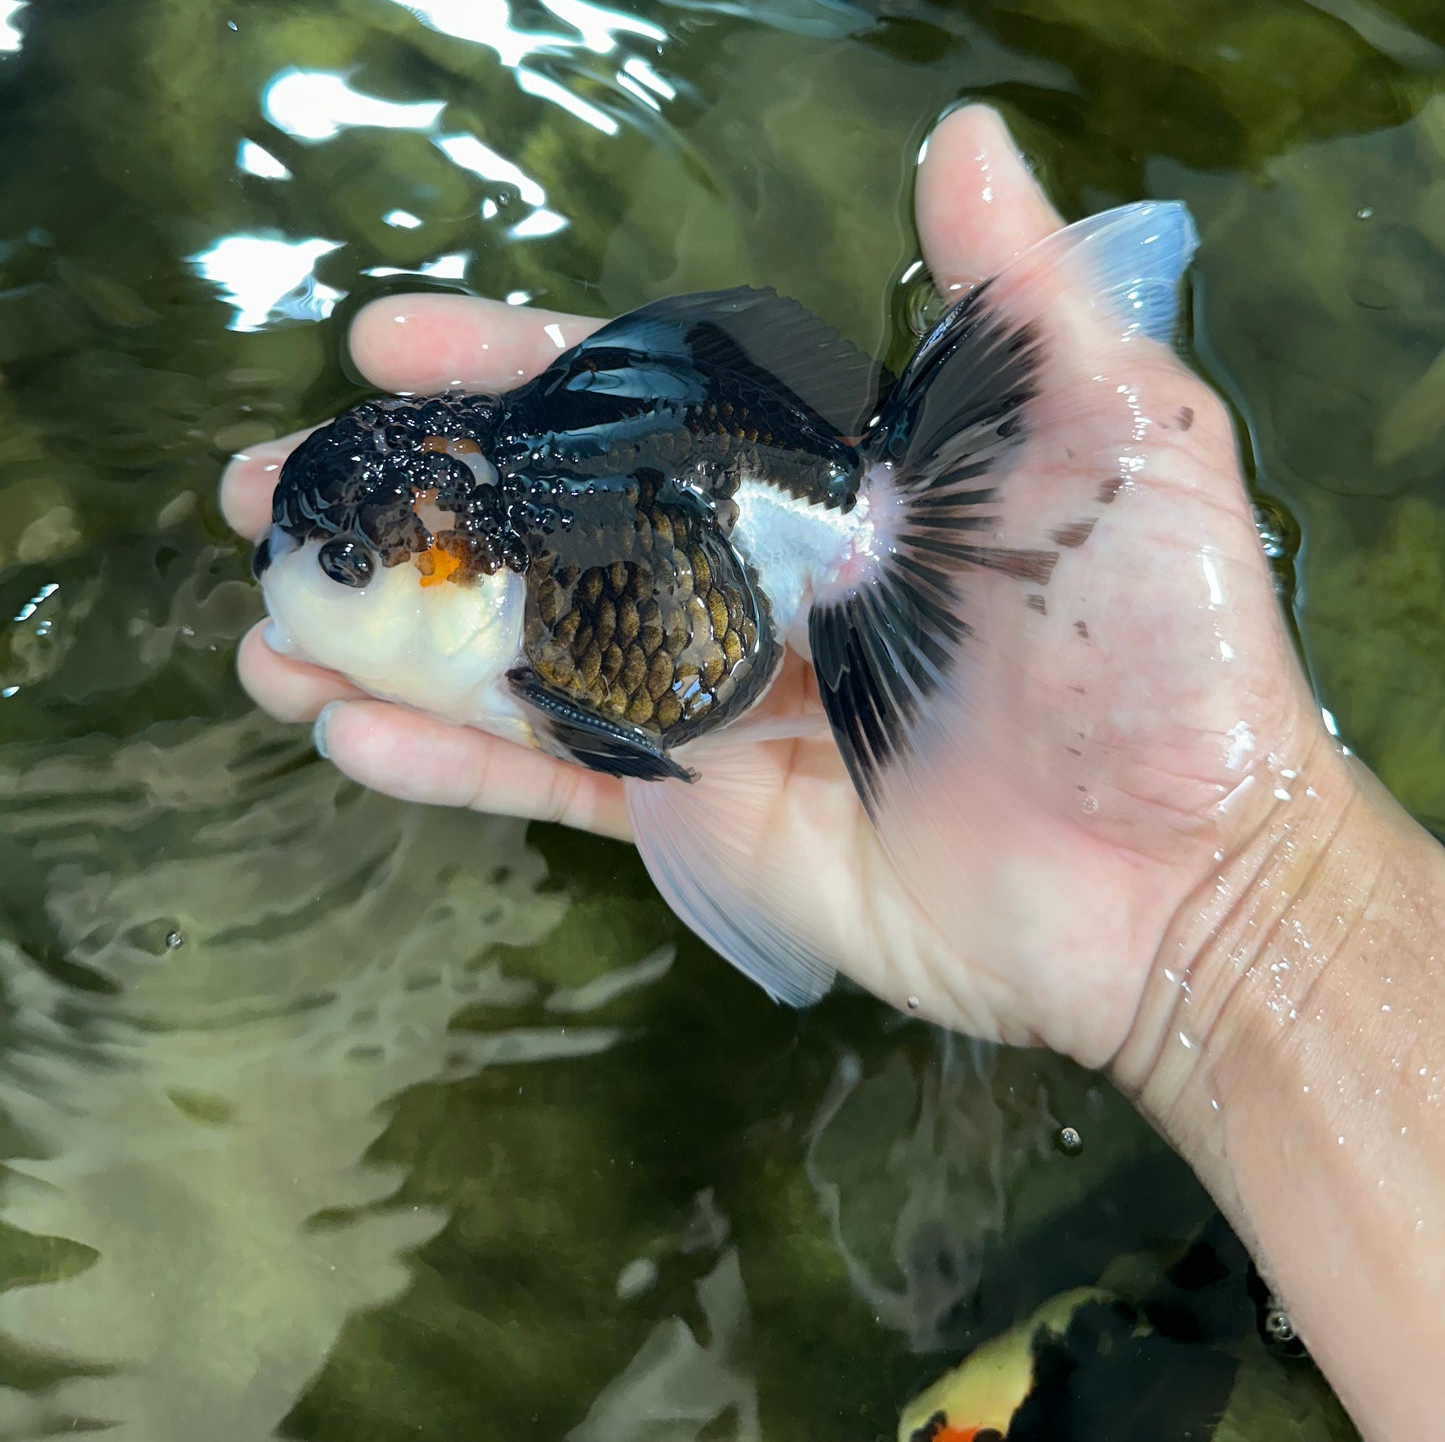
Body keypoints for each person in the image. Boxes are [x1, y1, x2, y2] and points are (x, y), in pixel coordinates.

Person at [222, 106, 1444, 1441]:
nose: (300, 586)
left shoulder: (553, 614)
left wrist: (1230, 900)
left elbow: (647, 726)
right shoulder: (513, 549)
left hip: (775, 532)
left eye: (342, 566)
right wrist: (1244, 914)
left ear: (442, 562)